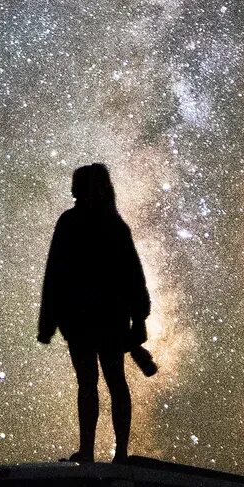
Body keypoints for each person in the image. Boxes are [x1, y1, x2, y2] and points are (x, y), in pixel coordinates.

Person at [36, 162, 152, 463]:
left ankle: (90, 451)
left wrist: (48, 323)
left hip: (84, 321)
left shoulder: (73, 223)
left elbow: (55, 276)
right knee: (111, 381)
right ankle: (117, 454)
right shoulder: (113, 225)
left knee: (92, 382)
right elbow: (133, 276)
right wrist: (138, 319)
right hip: (104, 320)